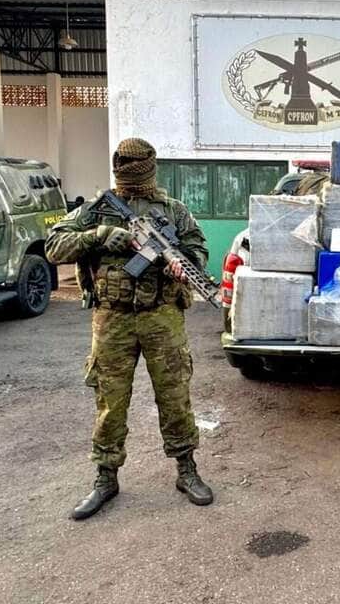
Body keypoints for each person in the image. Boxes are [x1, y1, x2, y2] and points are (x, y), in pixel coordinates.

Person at [46, 137, 214, 520]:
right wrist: (101, 236)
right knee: (110, 399)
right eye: (128, 164)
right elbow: (54, 247)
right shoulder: (97, 210)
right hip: (113, 318)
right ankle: (106, 477)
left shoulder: (173, 211)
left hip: (162, 316)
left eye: (139, 164)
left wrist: (183, 264)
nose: (133, 171)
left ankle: (186, 469)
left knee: (174, 395)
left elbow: (197, 251)